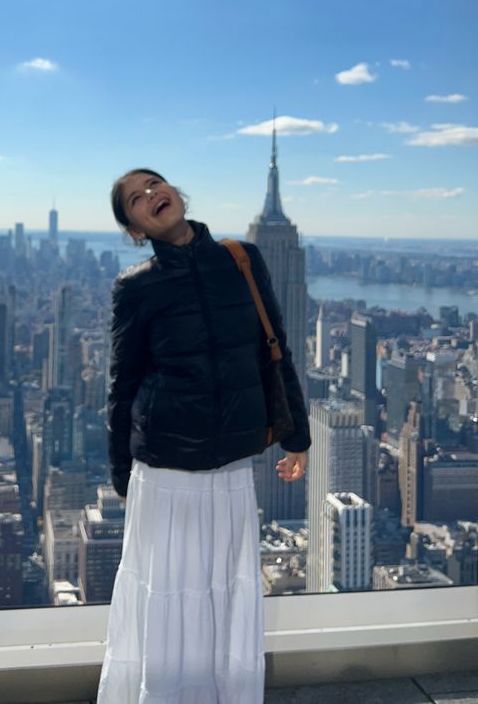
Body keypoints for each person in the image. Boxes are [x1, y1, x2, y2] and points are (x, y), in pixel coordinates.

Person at [96, 168, 310, 704]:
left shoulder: (242, 259)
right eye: (136, 199)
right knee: (167, 592)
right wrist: (124, 475)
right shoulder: (136, 286)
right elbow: (121, 385)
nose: (151, 195)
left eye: (155, 185)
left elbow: (274, 347)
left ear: (178, 195)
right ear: (136, 230)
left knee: (223, 592)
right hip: (165, 467)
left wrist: (298, 437)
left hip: (231, 464)